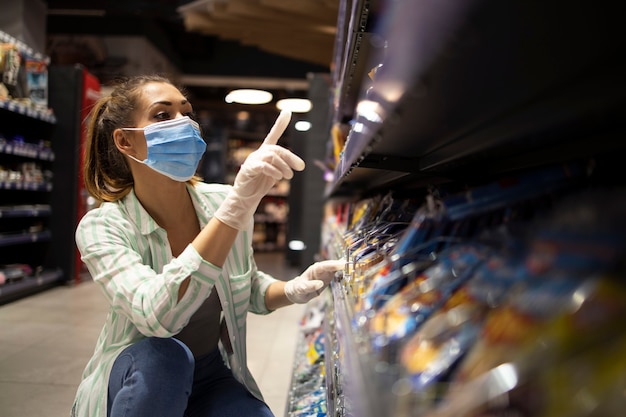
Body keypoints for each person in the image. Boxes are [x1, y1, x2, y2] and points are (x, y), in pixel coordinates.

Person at [71, 74, 343, 417]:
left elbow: (246, 284)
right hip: (143, 373)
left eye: (187, 112)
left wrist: (293, 289)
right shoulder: (103, 226)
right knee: (167, 358)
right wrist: (235, 211)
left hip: (210, 371)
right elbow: (158, 318)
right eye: (162, 115)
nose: (183, 124)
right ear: (125, 141)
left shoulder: (221, 200)